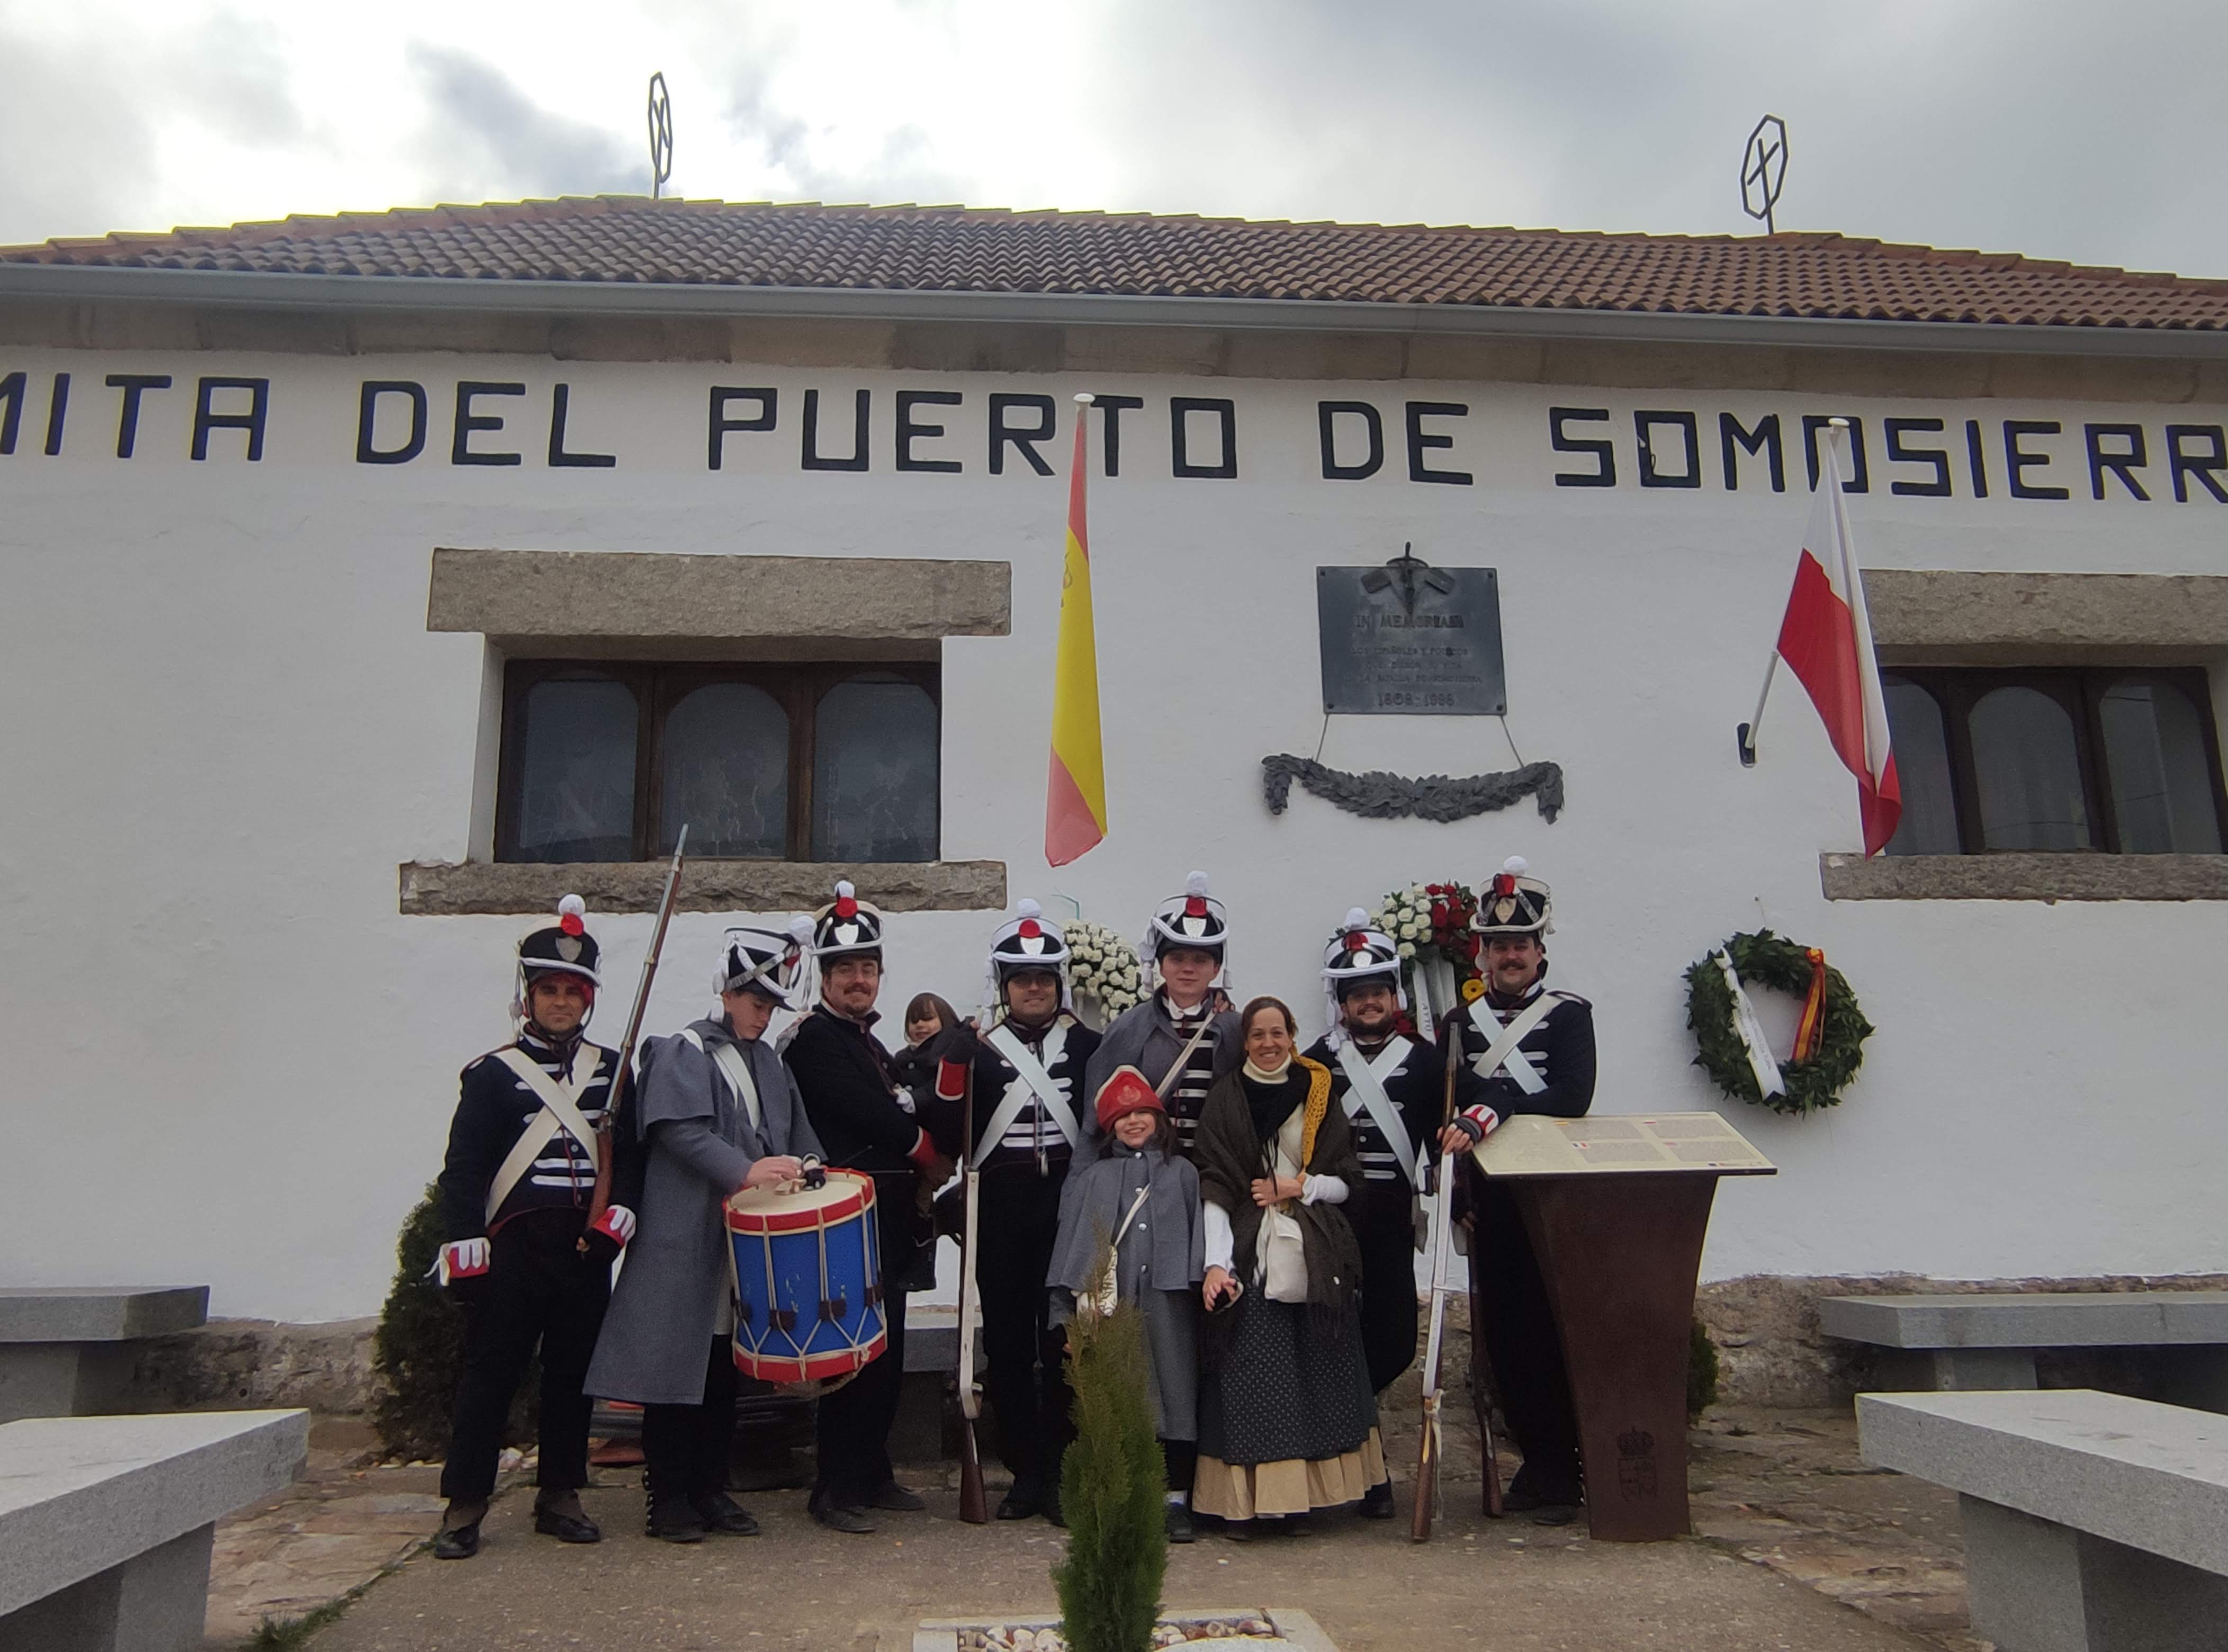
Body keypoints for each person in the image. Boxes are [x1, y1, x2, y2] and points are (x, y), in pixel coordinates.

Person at [582, 921, 822, 1542]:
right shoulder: (681, 1050)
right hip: (685, 1235)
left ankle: (711, 1489)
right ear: (728, 992)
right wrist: (745, 1170)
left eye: (770, 1005)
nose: (762, 1015)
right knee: (672, 1378)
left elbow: (793, 1134)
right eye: (755, 1001)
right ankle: (668, 1497)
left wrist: (812, 1168)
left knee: (722, 1376)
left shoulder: (769, 1062)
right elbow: (677, 1131)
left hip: (743, 1244)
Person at [430, 896, 636, 1560]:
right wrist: (465, 1246)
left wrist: (612, 1228)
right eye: (549, 990)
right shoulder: (492, 1076)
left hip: (581, 1249)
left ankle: (560, 1493)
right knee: (490, 1377)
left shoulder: (612, 1072)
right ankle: (465, 1505)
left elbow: (626, 1165)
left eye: (572, 992)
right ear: (529, 996)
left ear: (588, 1000)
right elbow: (463, 1170)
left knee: (573, 1377)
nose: (560, 1003)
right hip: (513, 1248)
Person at [1299, 909, 1492, 1518]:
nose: (1369, 1003)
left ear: (1394, 996)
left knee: (1392, 1343)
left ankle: (1348, 1432)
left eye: (1378, 992)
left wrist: (1462, 1202)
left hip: (1388, 1221)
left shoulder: (1427, 1062)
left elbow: (1457, 1132)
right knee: (1331, 1339)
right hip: (1327, 1224)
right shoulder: (1314, 1064)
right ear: (1342, 1002)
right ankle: (1364, 1471)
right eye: (1357, 995)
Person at [921, 900, 1102, 1522]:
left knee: (1061, 1344)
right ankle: (1024, 1471)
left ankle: (1062, 1468)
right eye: (1022, 980)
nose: (1033, 988)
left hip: (1066, 1209)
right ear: (1004, 986)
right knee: (1004, 1344)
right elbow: (945, 1128)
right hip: (997, 1209)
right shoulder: (979, 1049)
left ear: (1058, 983)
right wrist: (951, 1056)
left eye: (1044, 979)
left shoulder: (1088, 1046)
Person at [783, 881, 951, 1534]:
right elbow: (867, 1112)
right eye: (846, 970)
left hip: (887, 1220)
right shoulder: (815, 1039)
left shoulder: (866, 1041)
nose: (859, 980)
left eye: (867, 969)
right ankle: (836, 1488)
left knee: (887, 1350)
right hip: (847, 1223)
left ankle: (872, 1471)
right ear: (825, 977)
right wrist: (922, 1144)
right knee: (853, 1356)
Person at [1191, 996, 1389, 1536]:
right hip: (1249, 1250)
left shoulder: (1319, 1091)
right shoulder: (1224, 1102)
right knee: (1253, 1378)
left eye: (1277, 1032)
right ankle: (1254, 1504)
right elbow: (1214, 1185)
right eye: (1257, 1035)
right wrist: (1216, 1264)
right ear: (1245, 1043)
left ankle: (1310, 1498)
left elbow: (1348, 1178)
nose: (1268, 1043)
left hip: (1315, 1247)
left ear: (1292, 1035)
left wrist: (1300, 1186)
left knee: (1320, 1374)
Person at [1451, 857, 1598, 1524]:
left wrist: (1499, 1104)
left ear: (1539, 950)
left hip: (1551, 1193)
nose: (1509, 956)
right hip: (1490, 1198)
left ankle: (1565, 1464)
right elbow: (1448, 1111)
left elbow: (1573, 1096)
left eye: (1520, 945)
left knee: (1550, 1330)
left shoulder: (1567, 1016)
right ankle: (1536, 1460)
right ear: (1482, 953)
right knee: (1504, 1337)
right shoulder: (1458, 1023)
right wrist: (1457, 1200)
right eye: (1498, 946)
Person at [1047, 1066, 1207, 1542]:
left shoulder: (1183, 1174)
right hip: (1111, 1308)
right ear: (1108, 1126)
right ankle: (1123, 1497)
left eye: (1143, 1112)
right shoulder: (1092, 1178)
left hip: (1170, 1305)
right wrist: (1064, 1318)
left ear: (1160, 1120)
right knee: (1119, 1401)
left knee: (1177, 1399)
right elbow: (1069, 1247)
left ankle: (1175, 1499)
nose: (1134, 1122)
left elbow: (1200, 1234)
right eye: (1123, 1115)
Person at [1084, 872, 1242, 1157]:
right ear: (1161, 964)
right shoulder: (1128, 1028)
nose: (1188, 969)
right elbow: (1096, 1117)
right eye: (1177, 959)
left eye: (1200, 960)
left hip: (1216, 1173)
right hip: (1146, 1170)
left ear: (1216, 969)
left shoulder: (1235, 1029)